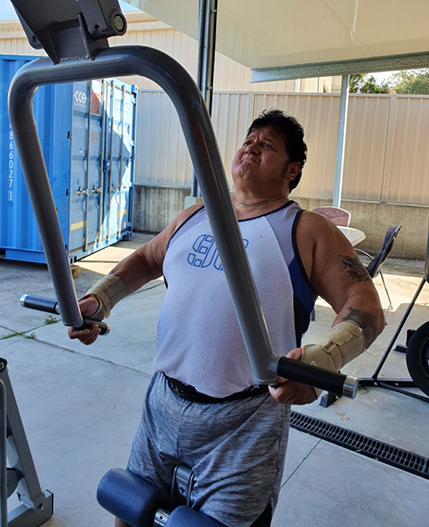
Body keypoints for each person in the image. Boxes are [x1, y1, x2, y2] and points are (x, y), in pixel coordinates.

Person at [68, 109, 385, 527]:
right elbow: (147, 258)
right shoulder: (197, 215)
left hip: (244, 421)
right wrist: (100, 299)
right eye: (248, 141)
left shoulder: (305, 229)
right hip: (162, 403)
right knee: (130, 514)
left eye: (266, 145)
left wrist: (325, 357)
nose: (251, 147)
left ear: (292, 171)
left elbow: (365, 305)